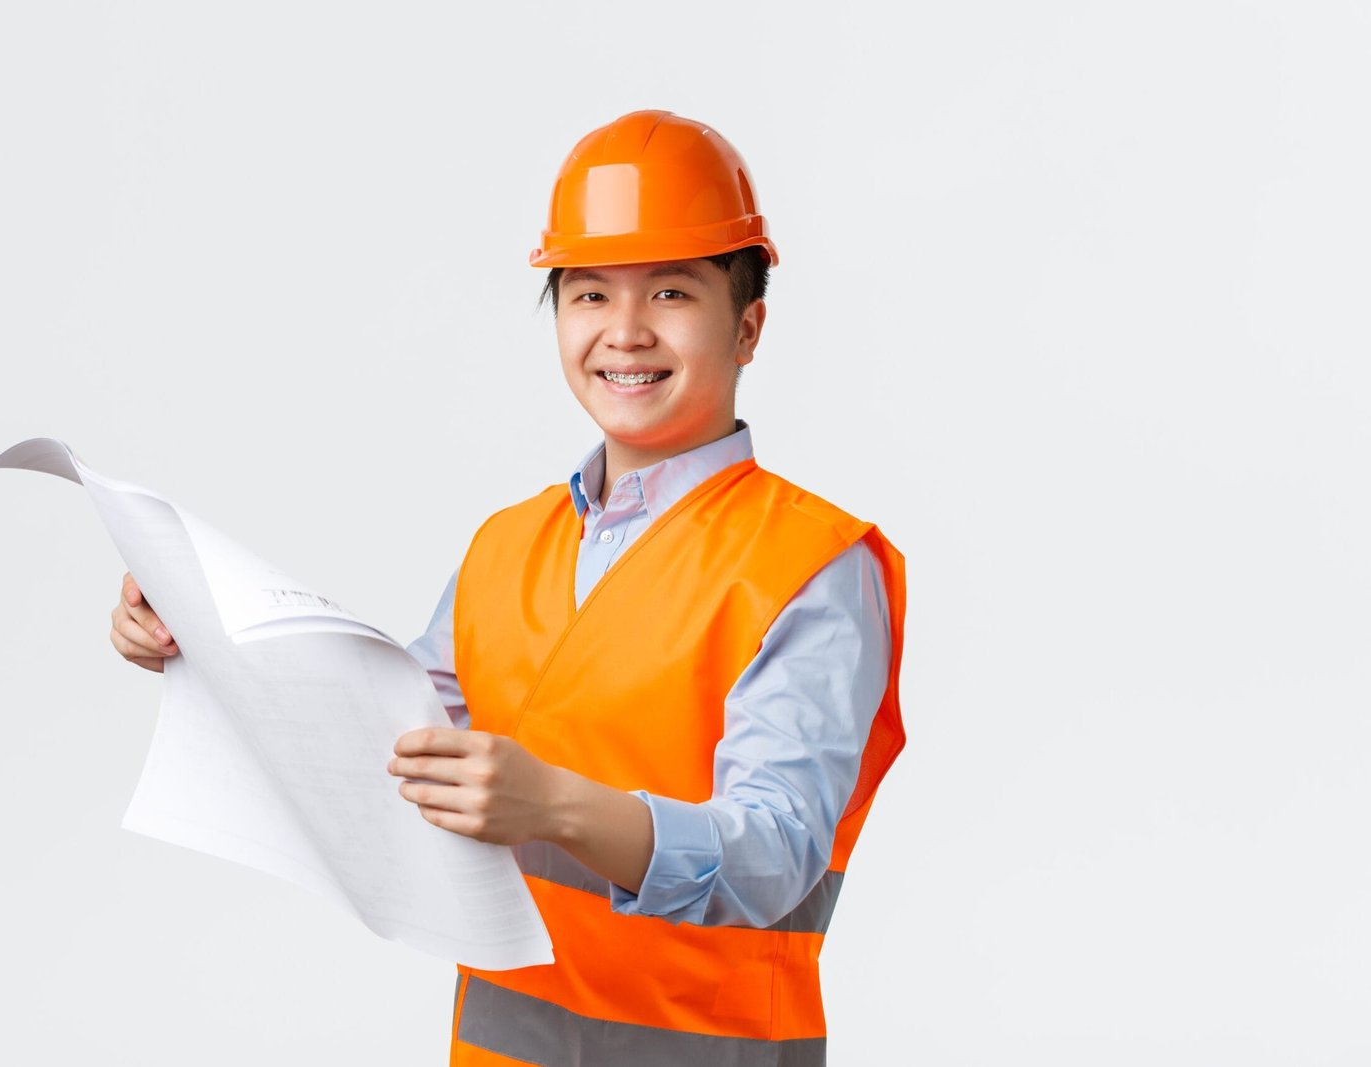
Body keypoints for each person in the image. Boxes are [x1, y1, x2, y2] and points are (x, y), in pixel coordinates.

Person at [108, 109, 906, 1066]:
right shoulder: (506, 545)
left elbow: (775, 853)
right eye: (589, 294)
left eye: (672, 292)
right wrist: (199, 639)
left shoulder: (812, 564)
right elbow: (381, 745)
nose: (626, 332)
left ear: (748, 326)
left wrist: (557, 807)